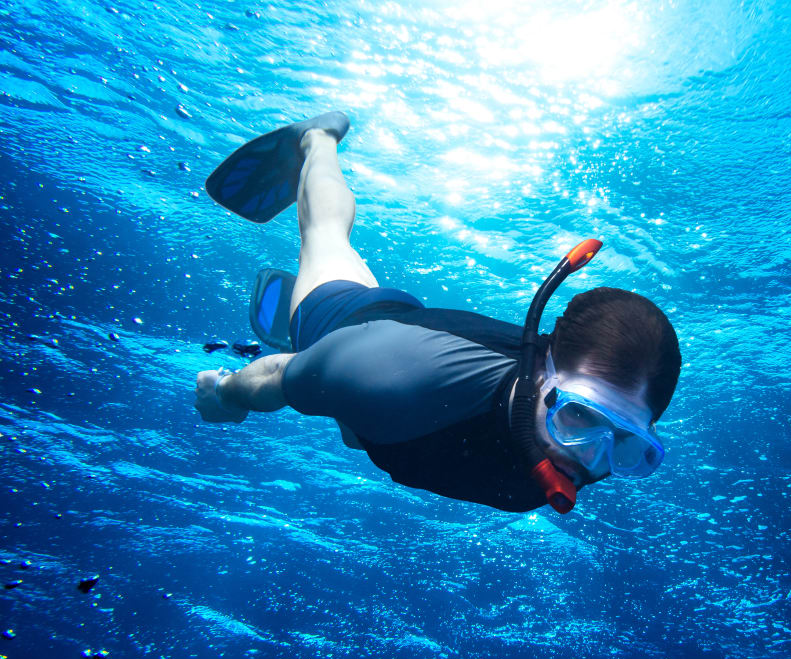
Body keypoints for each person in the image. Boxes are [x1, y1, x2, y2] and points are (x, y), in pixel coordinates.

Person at [194, 112, 681, 513]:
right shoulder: (383, 374)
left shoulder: (567, 443)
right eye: (578, 415)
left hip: (402, 391)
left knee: (356, 425)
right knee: (324, 235)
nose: (590, 461)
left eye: (626, 444)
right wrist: (229, 394)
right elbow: (279, 376)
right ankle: (318, 140)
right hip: (350, 327)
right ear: (540, 372)